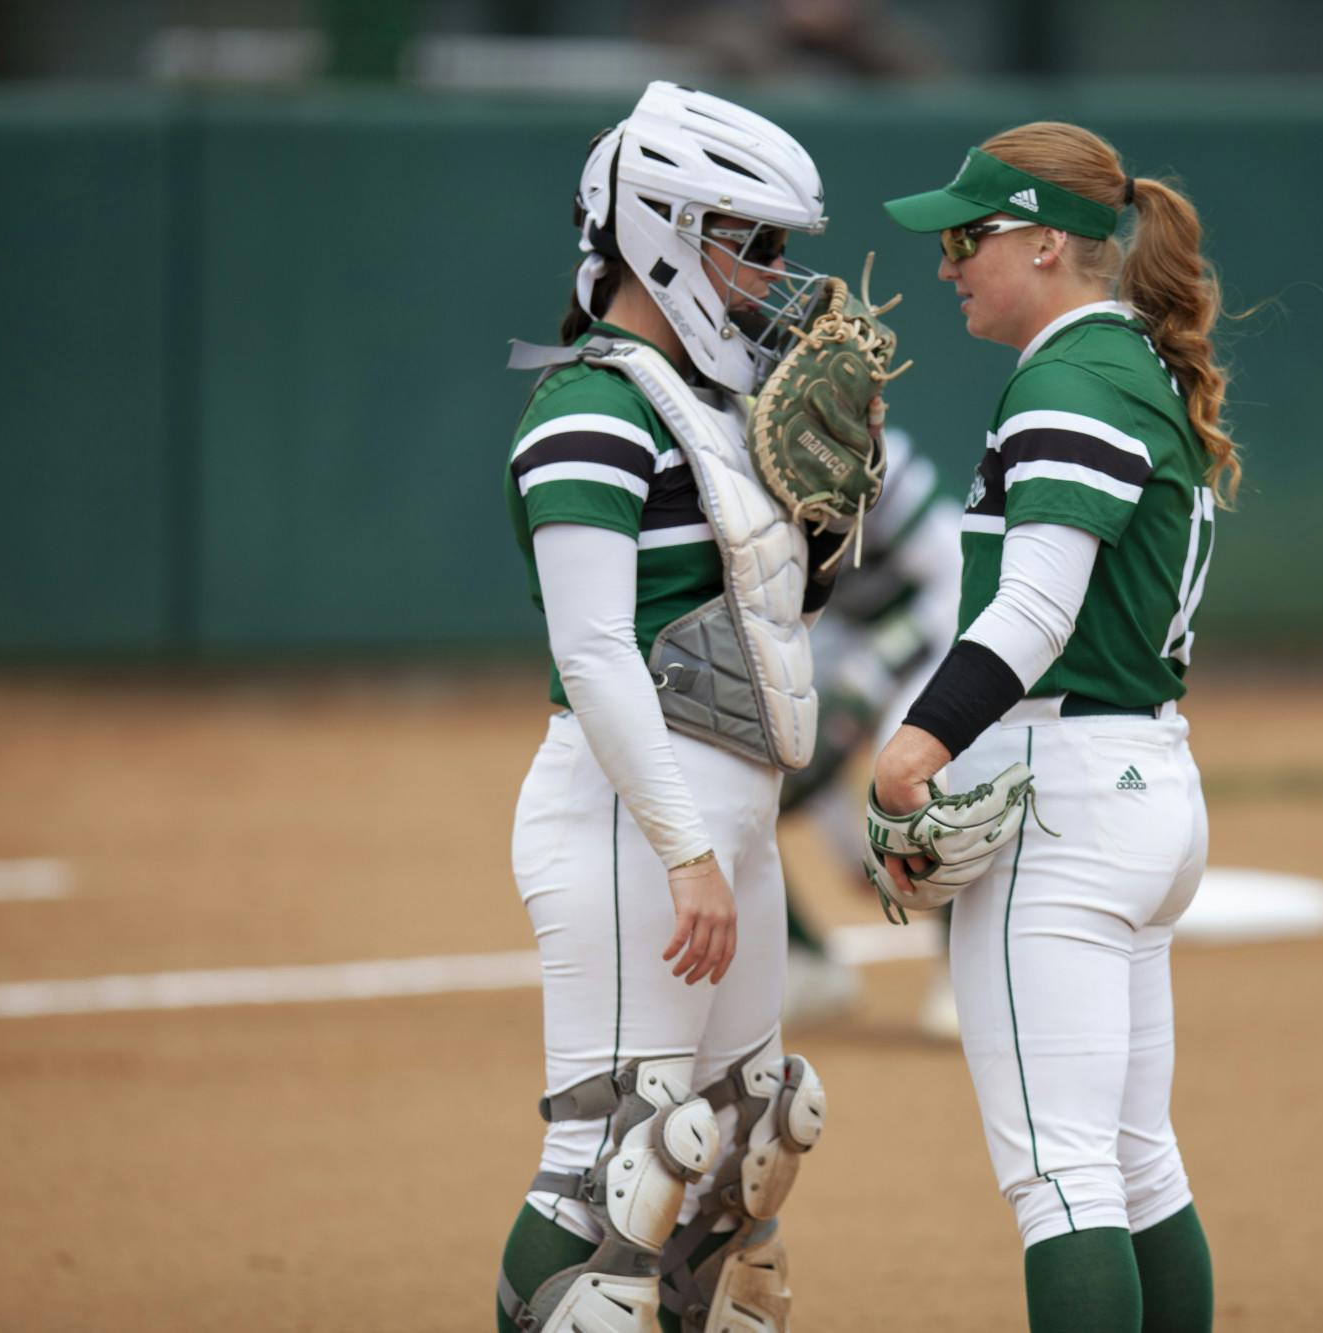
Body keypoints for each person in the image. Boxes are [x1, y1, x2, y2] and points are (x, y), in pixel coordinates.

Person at [870, 122, 1236, 1332]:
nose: (945, 264)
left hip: (1066, 791)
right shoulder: (1130, 363)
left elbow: (1035, 608)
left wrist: (914, 747)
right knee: (1132, 1162)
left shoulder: (1069, 379)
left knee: (1060, 1175)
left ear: (1042, 242)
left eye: (966, 239)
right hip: (1139, 780)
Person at [494, 81, 841, 1333]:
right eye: (753, 245)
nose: (774, 277)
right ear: (663, 234)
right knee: (612, 1160)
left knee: (738, 1154)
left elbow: (762, 616)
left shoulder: (713, 404)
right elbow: (593, 652)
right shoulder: (589, 405)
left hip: (722, 814)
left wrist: (824, 533)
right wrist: (686, 850)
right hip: (632, 819)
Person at [777, 427, 965, 1037]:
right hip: (841, 634)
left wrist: (879, 666)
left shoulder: (883, 460)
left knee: (926, 771)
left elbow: (957, 583)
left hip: (939, 623)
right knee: (745, 770)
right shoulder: (747, 469)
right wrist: (849, 842)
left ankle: (963, 973)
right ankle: (804, 963)